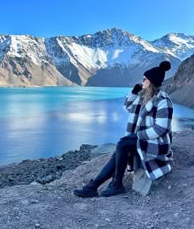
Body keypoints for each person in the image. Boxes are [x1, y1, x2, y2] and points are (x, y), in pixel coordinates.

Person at [74, 61, 173, 197]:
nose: (142, 81)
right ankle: (95, 186)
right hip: (146, 138)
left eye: (144, 79)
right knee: (121, 148)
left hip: (158, 143)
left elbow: (160, 129)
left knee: (123, 144)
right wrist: (134, 92)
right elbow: (128, 106)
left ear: (151, 82)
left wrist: (138, 135)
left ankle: (114, 184)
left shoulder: (163, 101)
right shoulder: (143, 97)